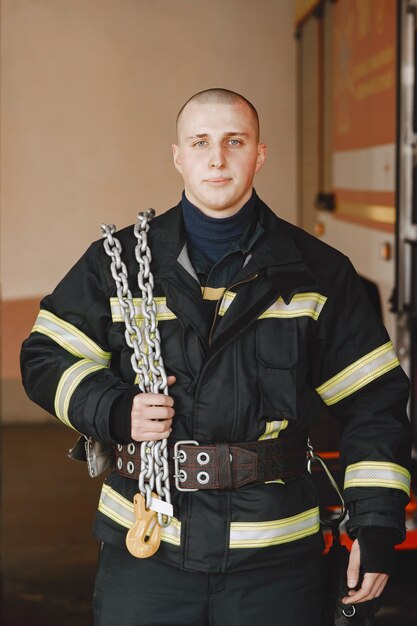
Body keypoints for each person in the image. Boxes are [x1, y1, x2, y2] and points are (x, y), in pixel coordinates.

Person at [21, 88, 411, 626]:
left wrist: (375, 524)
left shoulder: (318, 273)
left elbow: (374, 403)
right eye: (200, 142)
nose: (217, 157)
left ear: (259, 153)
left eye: (235, 141)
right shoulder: (118, 265)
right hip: (147, 553)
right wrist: (113, 409)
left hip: (275, 563)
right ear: (178, 155)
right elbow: (46, 355)